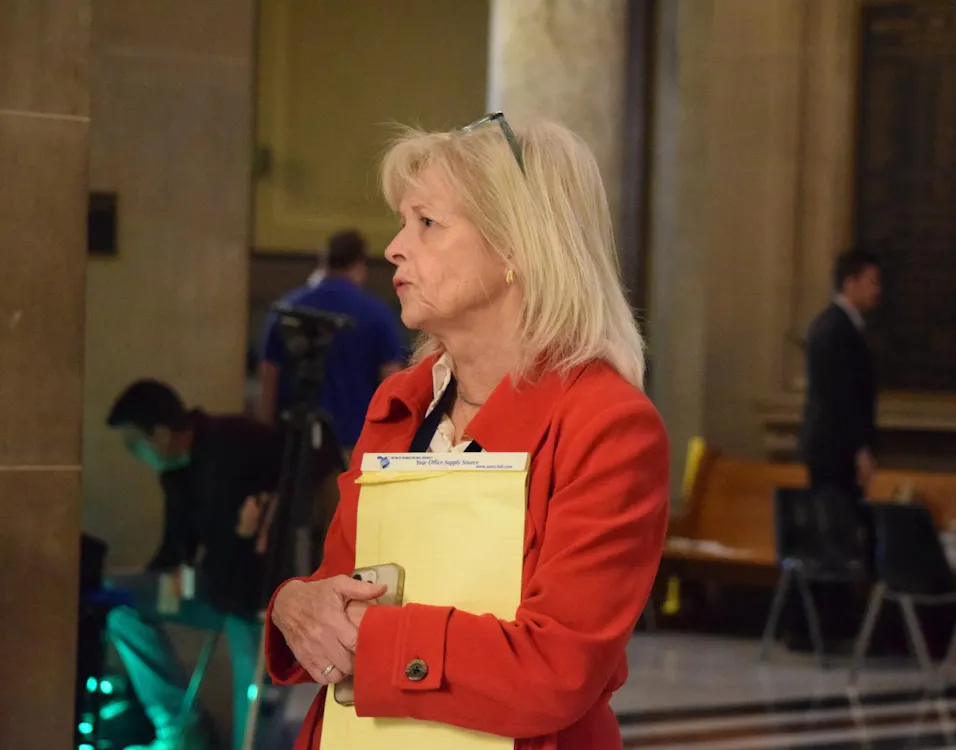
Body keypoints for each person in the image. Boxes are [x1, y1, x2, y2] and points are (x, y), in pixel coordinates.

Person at [263, 114, 670, 750]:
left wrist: (366, 641)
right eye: (402, 223)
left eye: (426, 223)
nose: (395, 247)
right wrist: (292, 603)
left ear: (516, 246)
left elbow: (556, 670)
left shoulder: (608, 425)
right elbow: (339, 586)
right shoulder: (399, 401)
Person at [105, 380, 285, 750]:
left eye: (134, 443)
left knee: (249, 695)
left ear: (160, 434)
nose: (134, 453)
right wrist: (162, 580)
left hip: (250, 596)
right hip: (206, 585)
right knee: (119, 602)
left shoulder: (235, 439)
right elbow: (175, 549)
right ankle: (180, 728)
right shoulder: (174, 472)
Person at [256, 230, 409, 453]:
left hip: (294, 446)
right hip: (357, 444)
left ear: (324, 261)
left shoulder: (287, 310)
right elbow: (392, 379)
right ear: (359, 264)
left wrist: (265, 434)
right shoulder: (377, 314)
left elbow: (268, 375)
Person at [800, 248, 882, 500]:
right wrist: (858, 449)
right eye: (872, 282)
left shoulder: (835, 325)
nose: (877, 291)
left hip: (836, 449)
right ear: (850, 283)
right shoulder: (836, 330)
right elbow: (840, 395)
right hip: (836, 452)